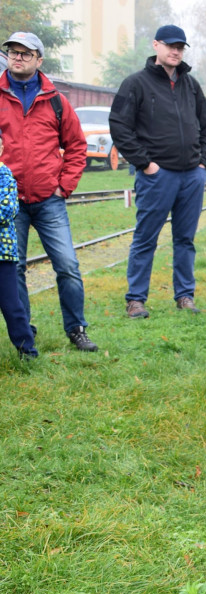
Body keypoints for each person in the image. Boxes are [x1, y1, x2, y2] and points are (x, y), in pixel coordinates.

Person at [108, 24, 206, 319]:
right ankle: (136, 300)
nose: (176, 51)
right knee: (146, 237)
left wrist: (204, 161)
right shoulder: (136, 84)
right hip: (158, 175)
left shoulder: (190, 84)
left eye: (180, 47)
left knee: (185, 239)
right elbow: (119, 126)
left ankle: (185, 296)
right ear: (156, 45)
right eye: (170, 45)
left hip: (191, 175)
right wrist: (145, 163)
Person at [0, 31, 96, 351]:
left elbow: (77, 146)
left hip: (48, 200)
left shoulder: (55, 99)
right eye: (13, 52)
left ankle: (76, 328)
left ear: (39, 60)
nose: (18, 58)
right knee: (13, 269)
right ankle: (24, 330)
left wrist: (63, 187)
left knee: (67, 265)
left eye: (26, 54)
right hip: (9, 204)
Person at [0, 126, 38, 358]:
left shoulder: (4, 176)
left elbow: (7, 210)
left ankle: (27, 350)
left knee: (12, 305)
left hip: (2, 253)